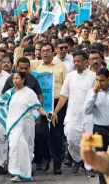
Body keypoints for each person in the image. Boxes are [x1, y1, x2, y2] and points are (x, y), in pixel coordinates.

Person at [0, 72, 47, 182]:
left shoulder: (30, 93)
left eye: (17, 78)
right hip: (14, 123)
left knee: (27, 147)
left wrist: (46, 114)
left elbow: (38, 107)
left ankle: (25, 172)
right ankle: (16, 172)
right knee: (15, 146)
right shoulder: (10, 92)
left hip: (27, 123)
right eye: (13, 78)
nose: (15, 80)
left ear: (23, 79)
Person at [52, 50, 96, 177]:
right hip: (72, 114)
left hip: (89, 115)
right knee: (71, 139)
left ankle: (89, 167)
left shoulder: (93, 76)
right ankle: (77, 159)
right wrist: (55, 111)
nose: (76, 63)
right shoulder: (70, 76)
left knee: (89, 141)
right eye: (75, 61)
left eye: (79, 61)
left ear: (86, 62)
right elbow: (64, 95)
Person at [30, 42, 68, 175]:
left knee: (56, 134)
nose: (45, 53)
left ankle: (57, 163)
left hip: (57, 104)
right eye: (42, 50)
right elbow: (19, 63)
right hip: (41, 105)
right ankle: (46, 157)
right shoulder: (35, 66)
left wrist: (57, 110)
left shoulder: (61, 66)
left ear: (53, 53)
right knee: (40, 134)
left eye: (48, 50)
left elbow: (65, 89)